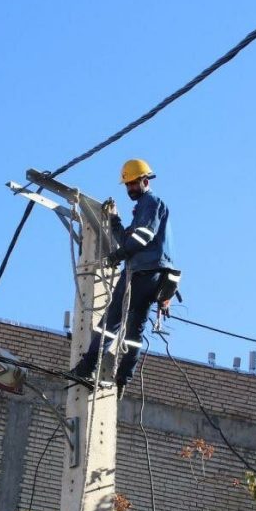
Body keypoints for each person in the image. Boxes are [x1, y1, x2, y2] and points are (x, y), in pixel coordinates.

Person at [72, 158, 178, 394]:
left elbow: (141, 238)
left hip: (142, 274)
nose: (129, 188)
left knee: (111, 321)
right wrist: (115, 221)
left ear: (145, 180)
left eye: (133, 183)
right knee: (133, 333)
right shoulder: (145, 208)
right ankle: (123, 378)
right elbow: (131, 239)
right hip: (152, 276)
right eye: (127, 184)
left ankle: (87, 367)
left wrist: (117, 255)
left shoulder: (150, 202)